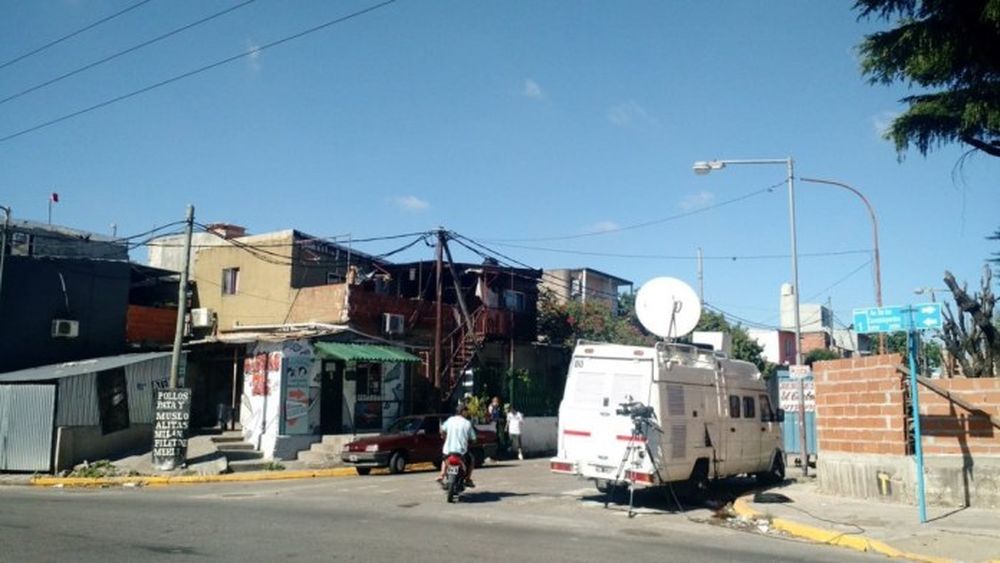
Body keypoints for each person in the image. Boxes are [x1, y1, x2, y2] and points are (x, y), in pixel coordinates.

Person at [437, 403, 477, 487]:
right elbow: (473, 438)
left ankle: (442, 475)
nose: (467, 413)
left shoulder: (450, 420)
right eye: (466, 411)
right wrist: (472, 442)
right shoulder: (467, 423)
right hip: (461, 451)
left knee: (445, 458)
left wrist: (444, 436)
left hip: (448, 449)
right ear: (462, 412)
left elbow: (442, 430)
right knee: (472, 459)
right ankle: (468, 479)